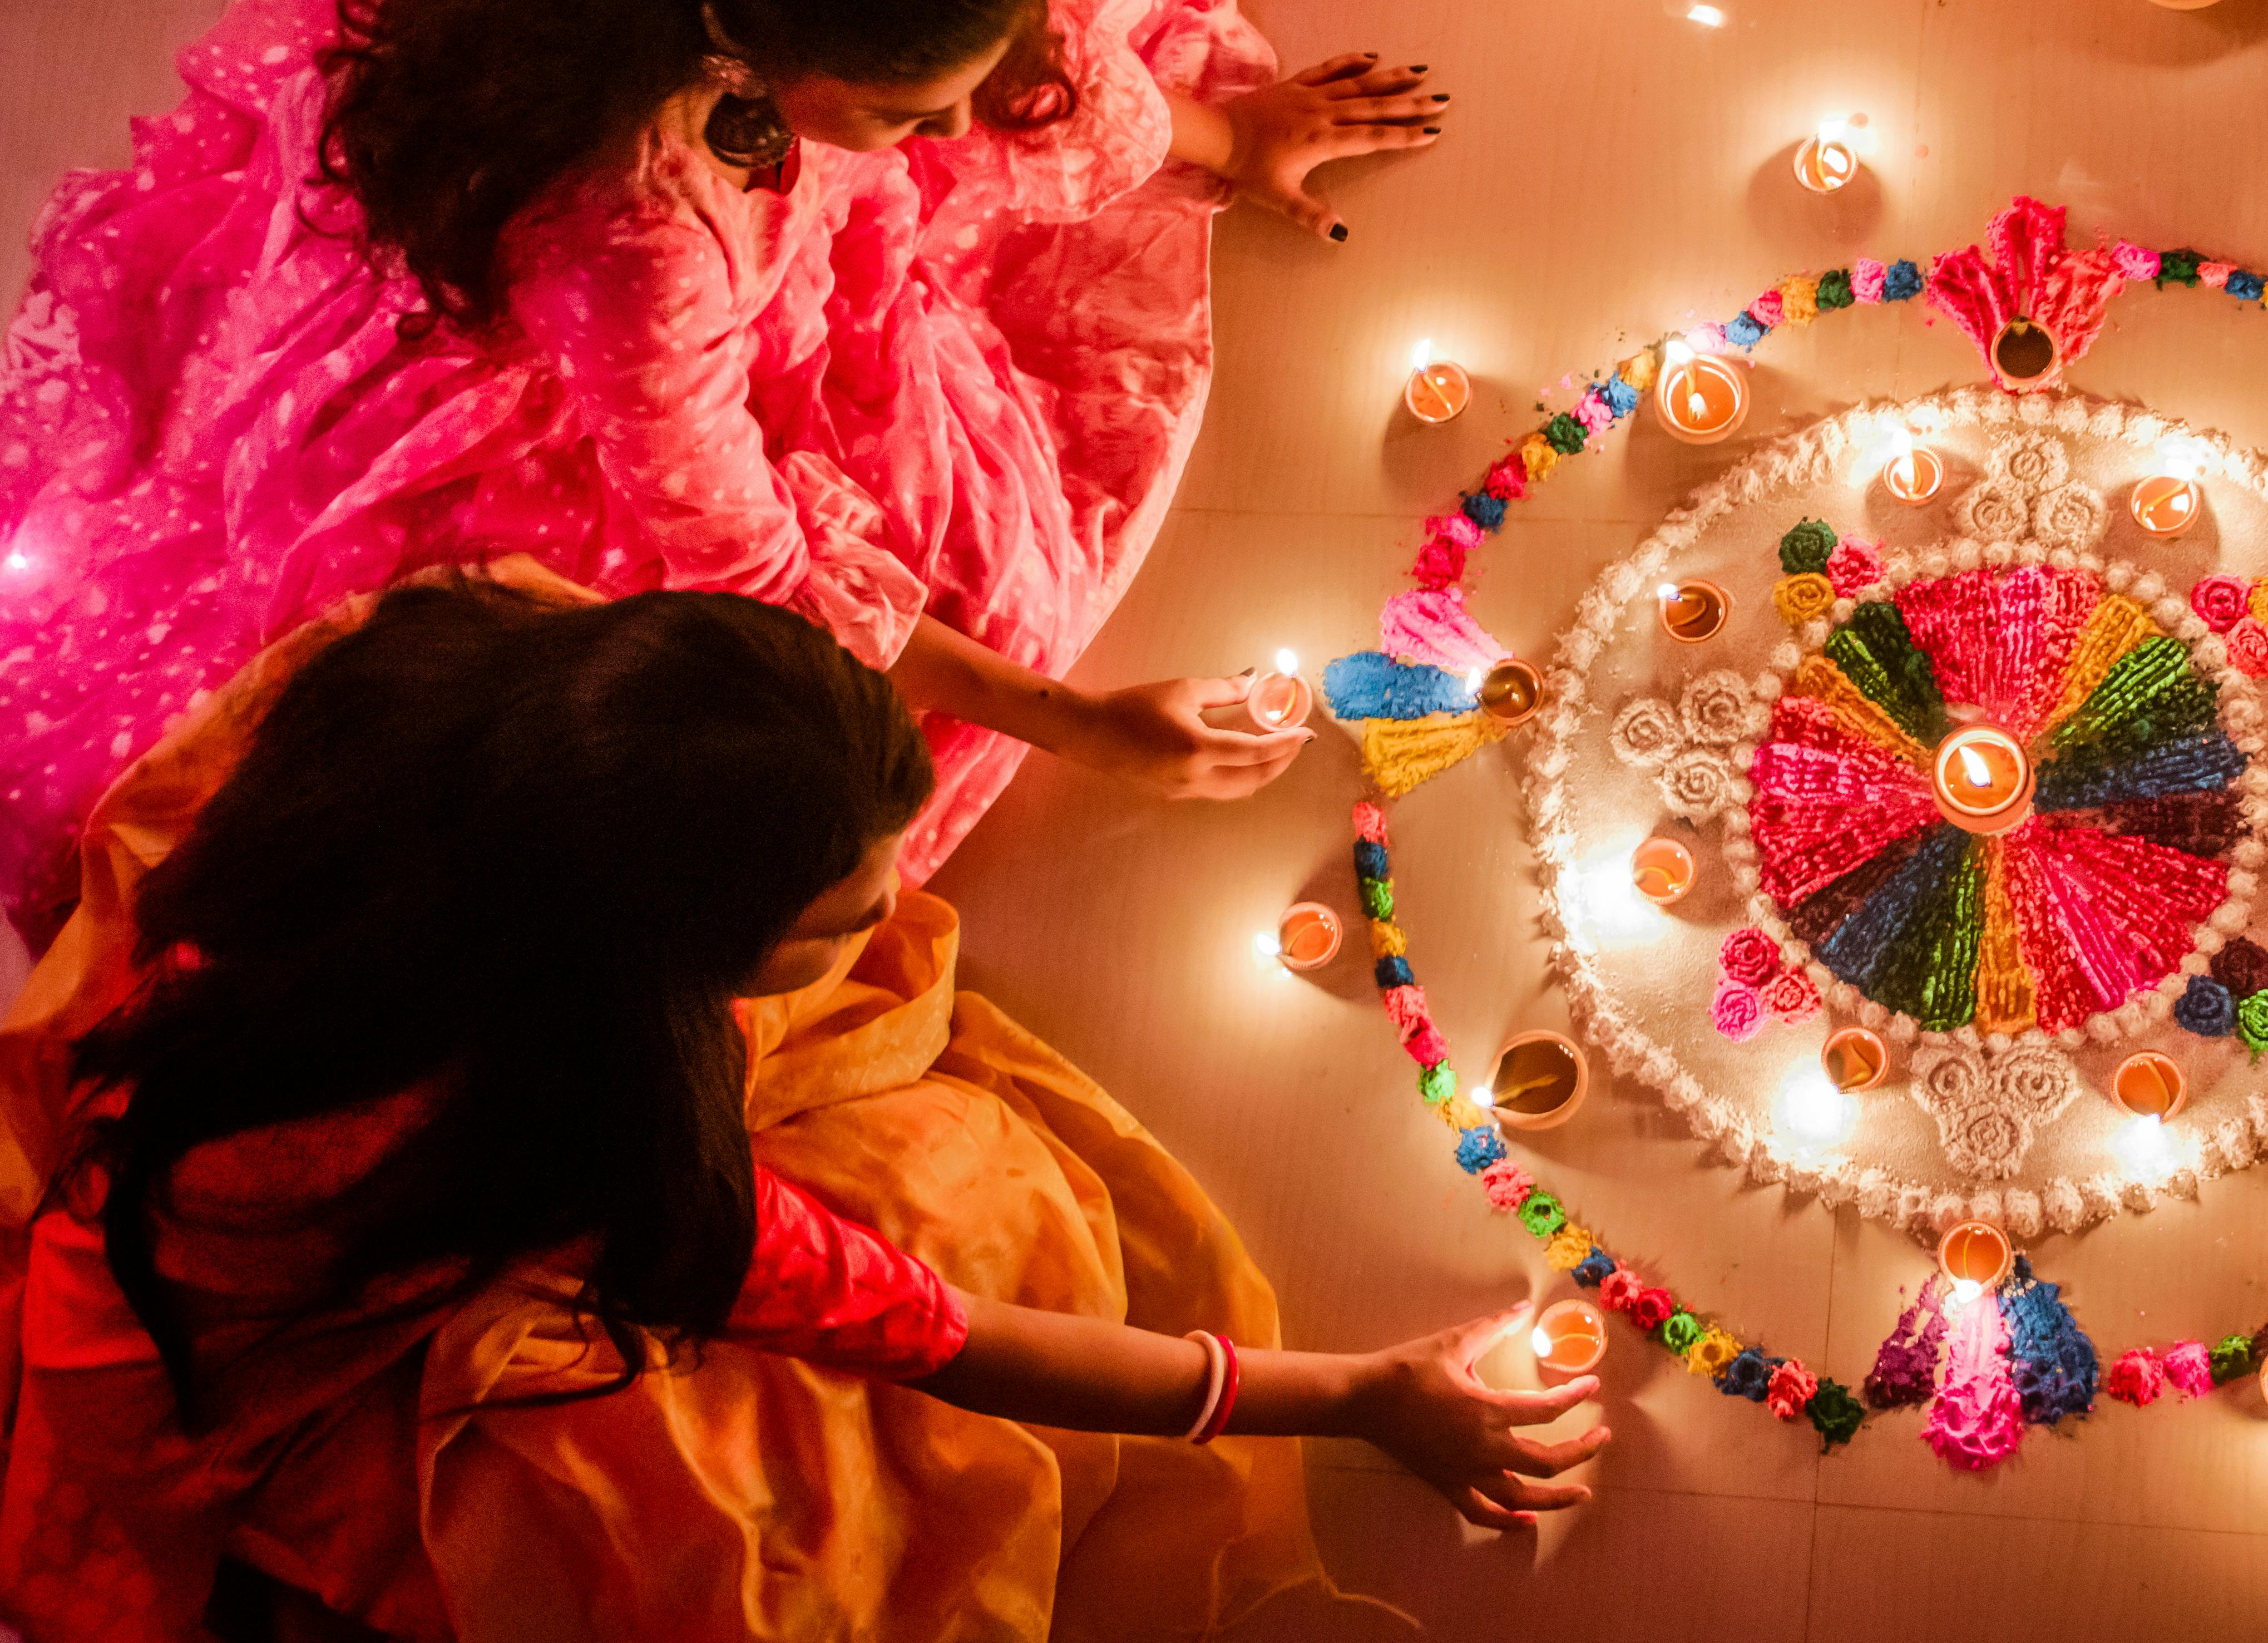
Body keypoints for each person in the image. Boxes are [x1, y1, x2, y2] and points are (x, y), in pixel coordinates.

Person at [0, 0, 1448, 944]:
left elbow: (1034, 57)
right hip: (581, 407)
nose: (959, 136)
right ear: (745, 49)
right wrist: (1077, 723)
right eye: (905, 109)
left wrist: (1228, 140)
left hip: (722, 231)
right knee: (863, 657)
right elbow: (761, 579)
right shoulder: (628, 242)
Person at [0, 570, 1603, 1643]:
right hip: (203, 1397)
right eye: (835, 918)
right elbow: (949, 1334)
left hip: (207, 1174)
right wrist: (1358, 1395)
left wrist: (1091, 718)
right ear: (649, 959)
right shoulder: (571, 1128)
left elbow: (821, 638)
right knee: (949, 1228)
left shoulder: (468, 683)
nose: (889, 923)